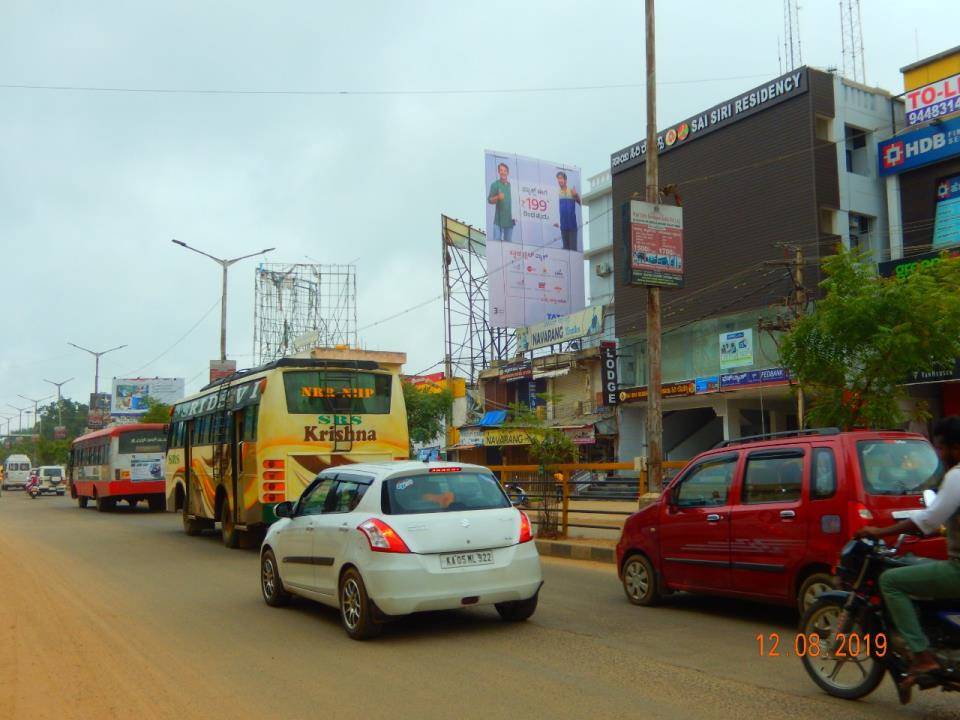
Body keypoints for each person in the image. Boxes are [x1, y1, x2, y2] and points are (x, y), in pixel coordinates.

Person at [855, 416, 960, 695]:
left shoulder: (957, 476)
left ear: (952, 447)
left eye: (940, 448)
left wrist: (879, 532)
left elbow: (927, 519)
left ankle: (922, 656)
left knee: (891, 581)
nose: (939, 455)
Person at [554, 171, 581, 251]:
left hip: (572, 225)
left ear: (565, 180)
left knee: (573, 249)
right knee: (565, 249)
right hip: (563, 226)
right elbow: (555, 208)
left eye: (561, 178)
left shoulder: (571, 191)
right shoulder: (557, 192)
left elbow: (580, 202)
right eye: (558, 179)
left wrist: (576, 195)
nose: (559, 180)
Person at [487, 162, 515, 242]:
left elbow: (517, 203)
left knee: (508, 246)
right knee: (496, 245)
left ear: (508, 172)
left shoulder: (512, 186)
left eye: (505, 170)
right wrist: (497, 197)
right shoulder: (495, 185)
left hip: (510, 221)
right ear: (498, 172)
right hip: (498, 222)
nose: (503, 172)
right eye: (501, 170)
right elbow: (489, 200)